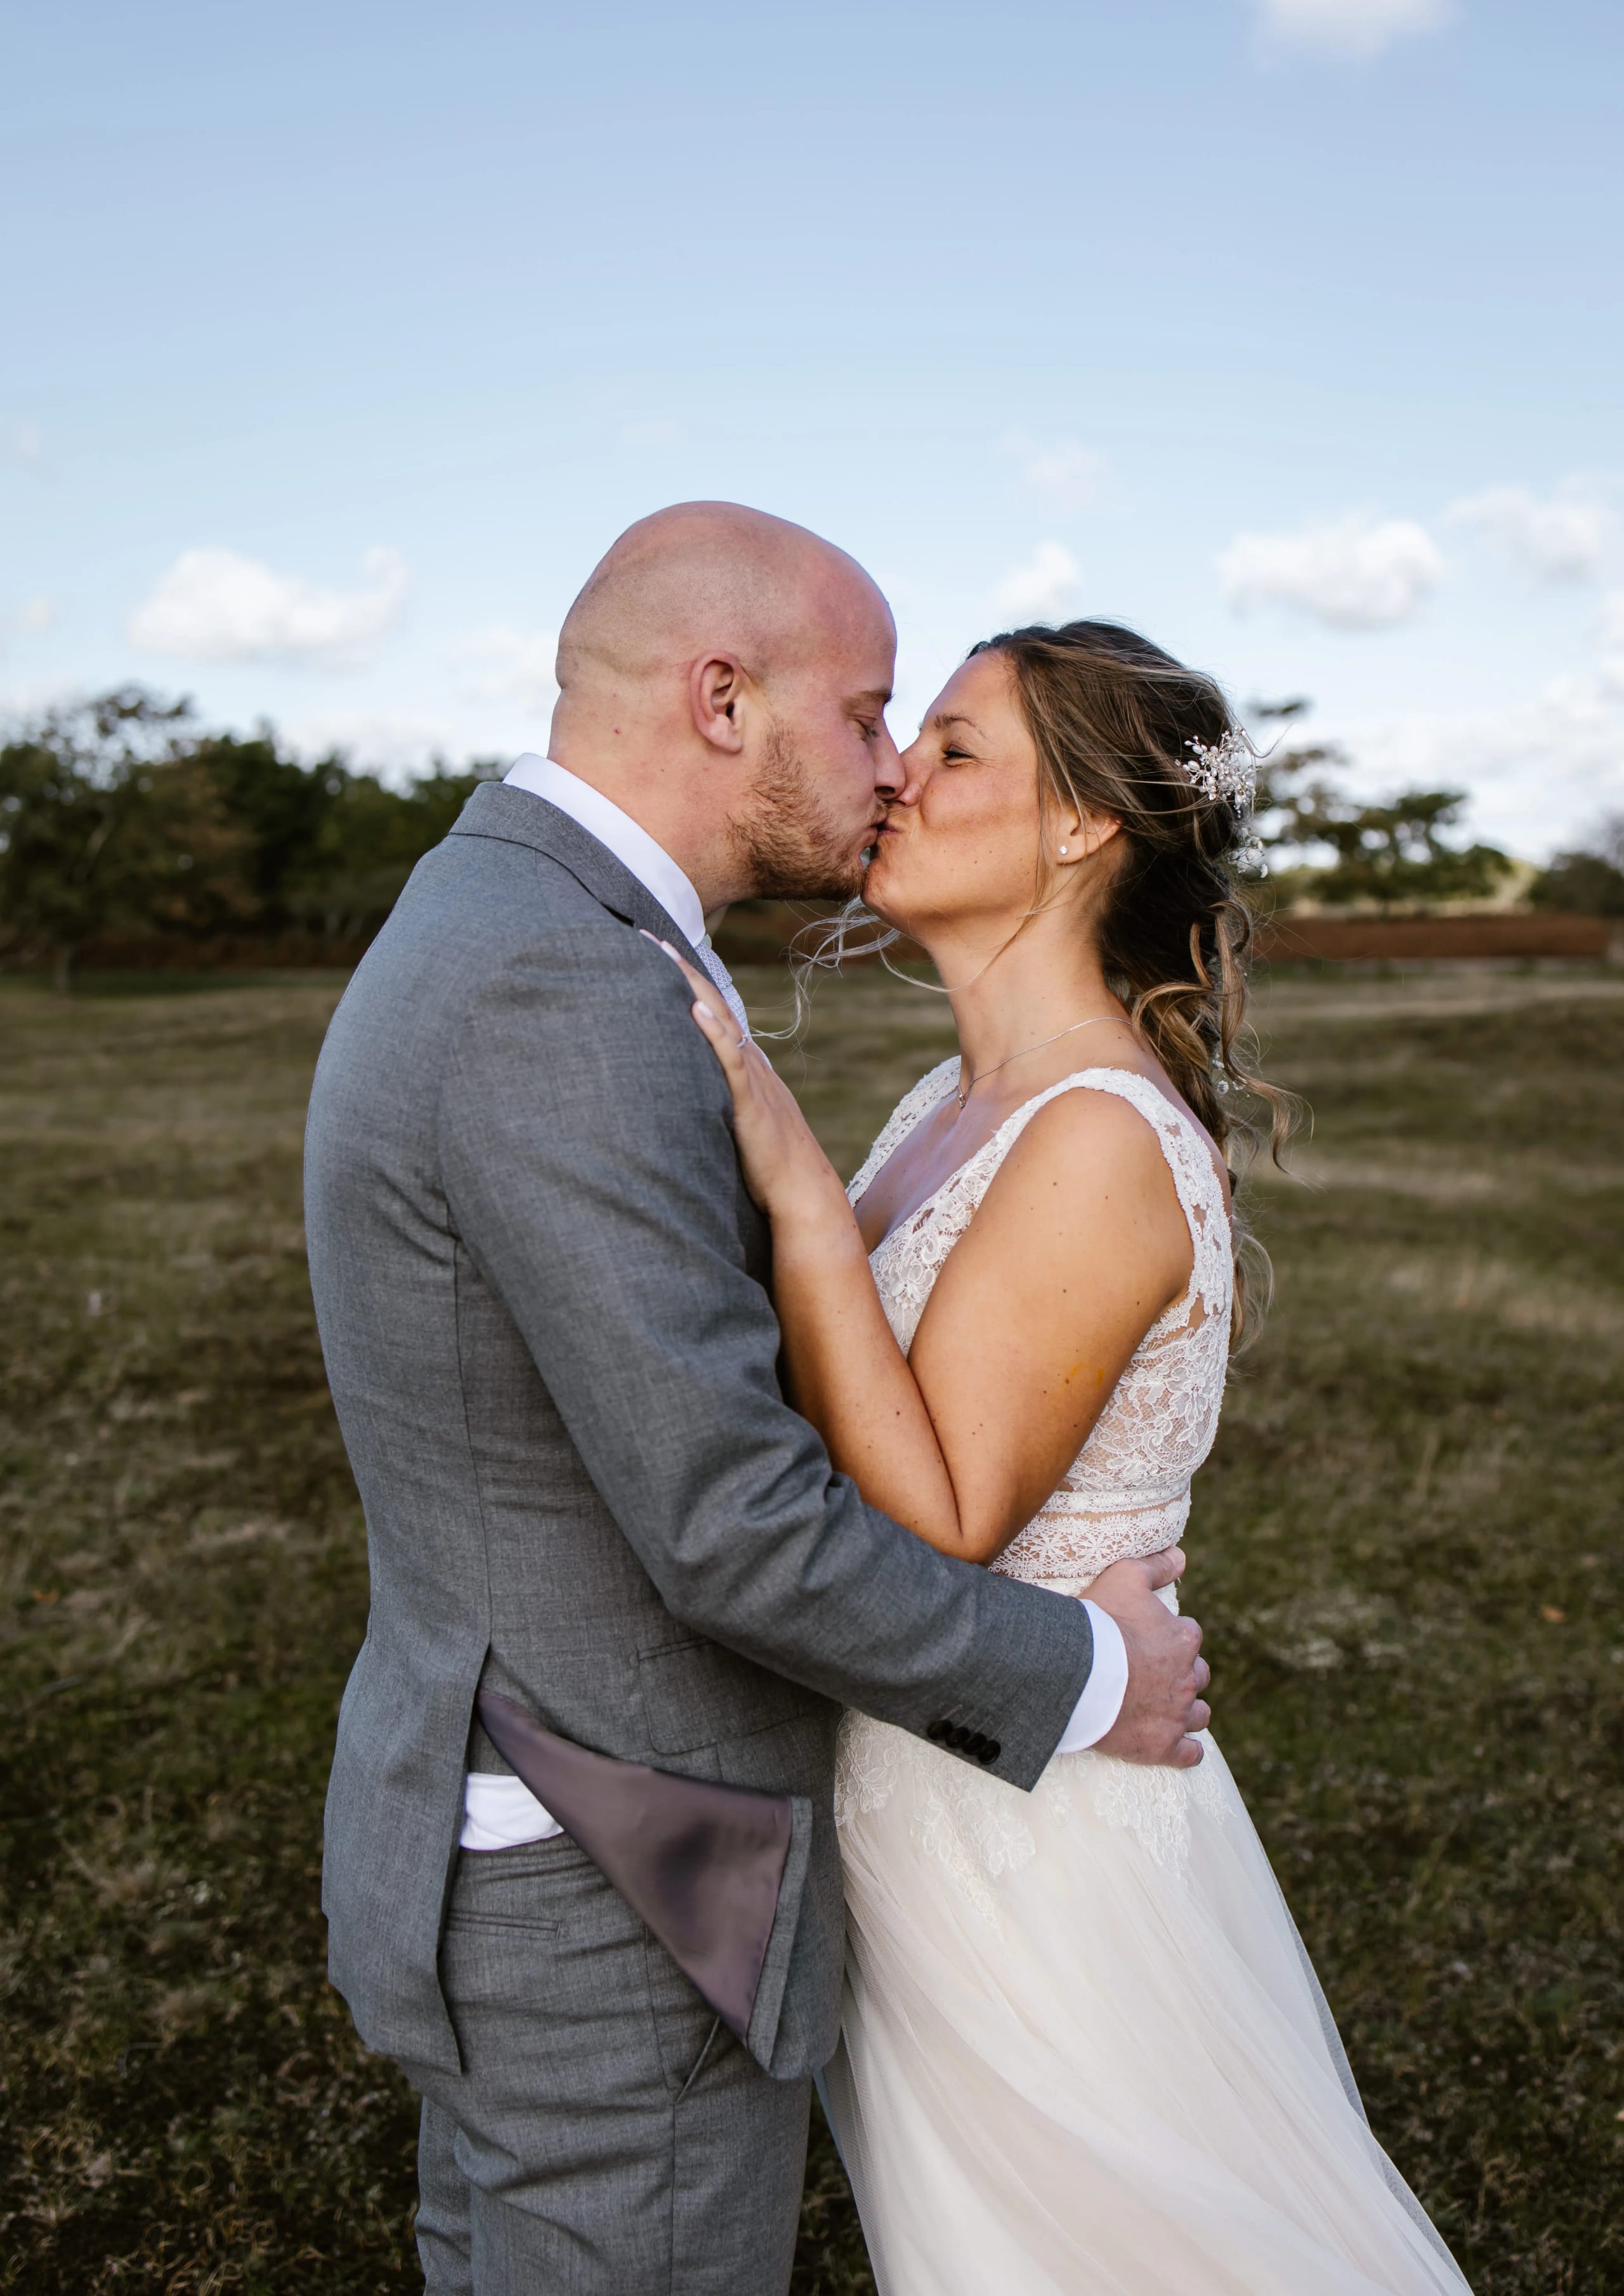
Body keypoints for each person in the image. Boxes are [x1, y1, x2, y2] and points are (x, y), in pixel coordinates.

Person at [303, 506, 1209, 2295]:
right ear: (724, 701)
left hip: (560, 1803)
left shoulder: (539, 918)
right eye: (879, 715)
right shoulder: (561, 977)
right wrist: (1093, 1671)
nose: (886, 772)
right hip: (609, 1858)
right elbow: (729, 1521)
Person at [674, 617, 1473, 2293]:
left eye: (958, 750)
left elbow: (946, 1516)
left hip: (1030, 1846)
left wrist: (798, 1200)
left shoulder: (1097, 1136)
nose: (900, 774)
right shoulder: (943, 1106)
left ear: (1085, 826)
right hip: (934, 1787)